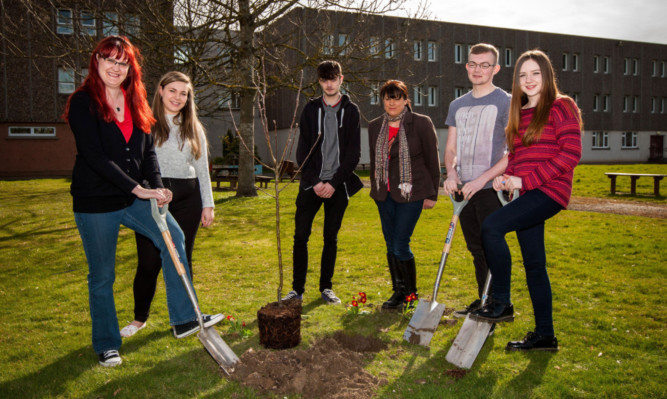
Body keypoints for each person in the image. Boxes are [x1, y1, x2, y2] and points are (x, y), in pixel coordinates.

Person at [64, 36, 221, 367]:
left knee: (174, 239)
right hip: (96, 202)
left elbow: (148, 152)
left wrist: (159, 187)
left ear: (129, 68)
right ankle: (107, 343)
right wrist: (138, 188)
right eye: (109, 59)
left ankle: (184, 320)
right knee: (103, 275)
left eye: (123, 62)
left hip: (136, 196)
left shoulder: (136, 101)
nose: (116, 67)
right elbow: (93, 155)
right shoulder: (83, 102)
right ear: (97, 61)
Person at [470, 49, 583, 351]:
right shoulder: (519, 111)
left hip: (550, 191)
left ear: (547, 75)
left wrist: (526, 180)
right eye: (523, 75)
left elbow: (570, 154)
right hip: (527, 193)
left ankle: (501, 301)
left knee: (492, 228)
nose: (529, 80)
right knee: (535, 264)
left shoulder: (561, 106)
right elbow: (518, 156)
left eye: (535, 73)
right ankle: (545, 335)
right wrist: (506, 178)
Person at [120, 71, 220, 339]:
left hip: (188, 198)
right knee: (149, 261)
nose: (178, 97)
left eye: (184, 93)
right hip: (155, 196)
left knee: (182, 259)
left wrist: (207, 204)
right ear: (161, 91)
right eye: (173, 91)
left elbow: (201, 168)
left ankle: (186, 318)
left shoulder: (193, 126)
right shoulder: (145, 122)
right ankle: (139, 318)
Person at [282, 60, 363, 304]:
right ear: (319, 81)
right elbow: (302, 151)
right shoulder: (310, 109)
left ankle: (326, 288)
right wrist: (316, 181)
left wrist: (334, 183)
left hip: (337, 185)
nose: (329, 83)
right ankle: (297, 290)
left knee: (331, 237)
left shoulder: (351, 111)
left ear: (341, 78)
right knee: (300, 236)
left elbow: (353, 154)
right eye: (325, 79)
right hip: (311, 184)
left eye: (333, 78)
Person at [442, 43, 511, 318]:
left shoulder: (505, 101)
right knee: (475, 248)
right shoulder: (457, 105)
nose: (478, 69)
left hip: (489, 189)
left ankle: (500, 303)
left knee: (492, 245)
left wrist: (481, 179)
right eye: (473, 64)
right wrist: (451, 174)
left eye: (485, 65)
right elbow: (450, 148)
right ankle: (485, 299)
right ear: (466, 66)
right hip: (464, 190)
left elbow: (513, 151)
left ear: (495, 69)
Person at [368, 80, 441, 310]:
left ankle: (411, 294)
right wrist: (376, 188)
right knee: (390, 244)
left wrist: (433, 194)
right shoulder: (374, 126)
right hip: (384, 194)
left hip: (412, 193)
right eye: (388, 98)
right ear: (383, 100)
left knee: (400, 243)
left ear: (406, 100)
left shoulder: (420, 123)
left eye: (397, 97)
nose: (392, 102)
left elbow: (432, 159)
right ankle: (398, 292)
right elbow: (375, 162)